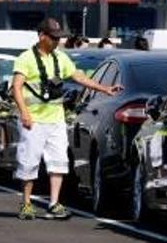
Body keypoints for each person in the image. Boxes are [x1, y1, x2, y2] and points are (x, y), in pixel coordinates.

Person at [13, 18, 123, 220]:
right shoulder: (26, 59)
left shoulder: (60, 58)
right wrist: (24, 112)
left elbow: (79, 77)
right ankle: (26, 203)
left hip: (55, 119)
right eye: (53, 38)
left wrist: (105, 88)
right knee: (29, 162)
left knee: (59, 161)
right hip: (34, 121)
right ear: (42, 36)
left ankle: (54, 203)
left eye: (59, 38)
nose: (57, 42)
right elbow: (17, 87)